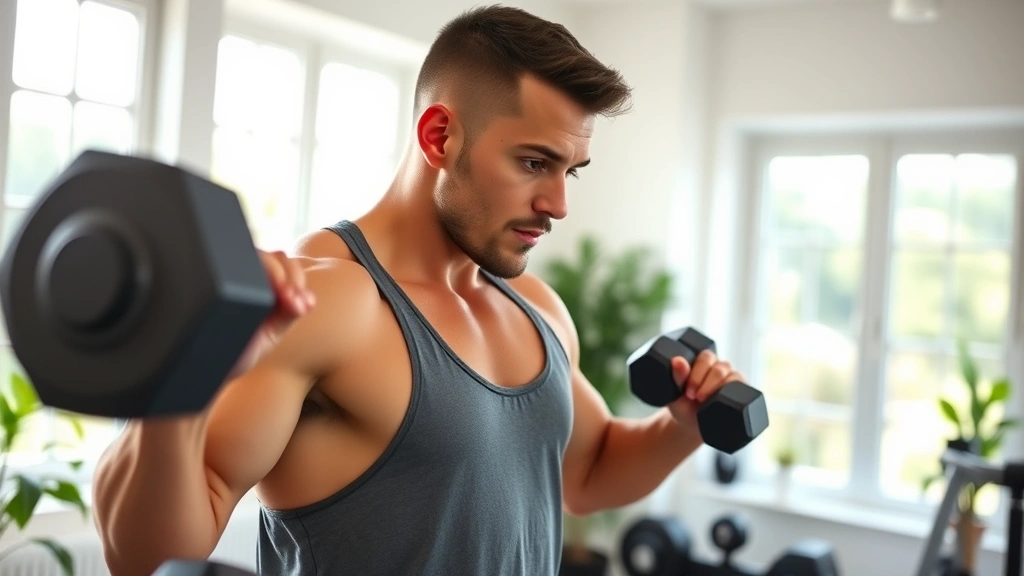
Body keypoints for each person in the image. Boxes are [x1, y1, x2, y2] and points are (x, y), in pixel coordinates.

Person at [92, 5, 745, 576]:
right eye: (533, 162)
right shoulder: (326, 306)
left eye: (570, 169)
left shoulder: (537, 309)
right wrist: (182, 380)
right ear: (439, 137)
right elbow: (151, 559)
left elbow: (588, 471)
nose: (558, 203)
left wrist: (680, 426)